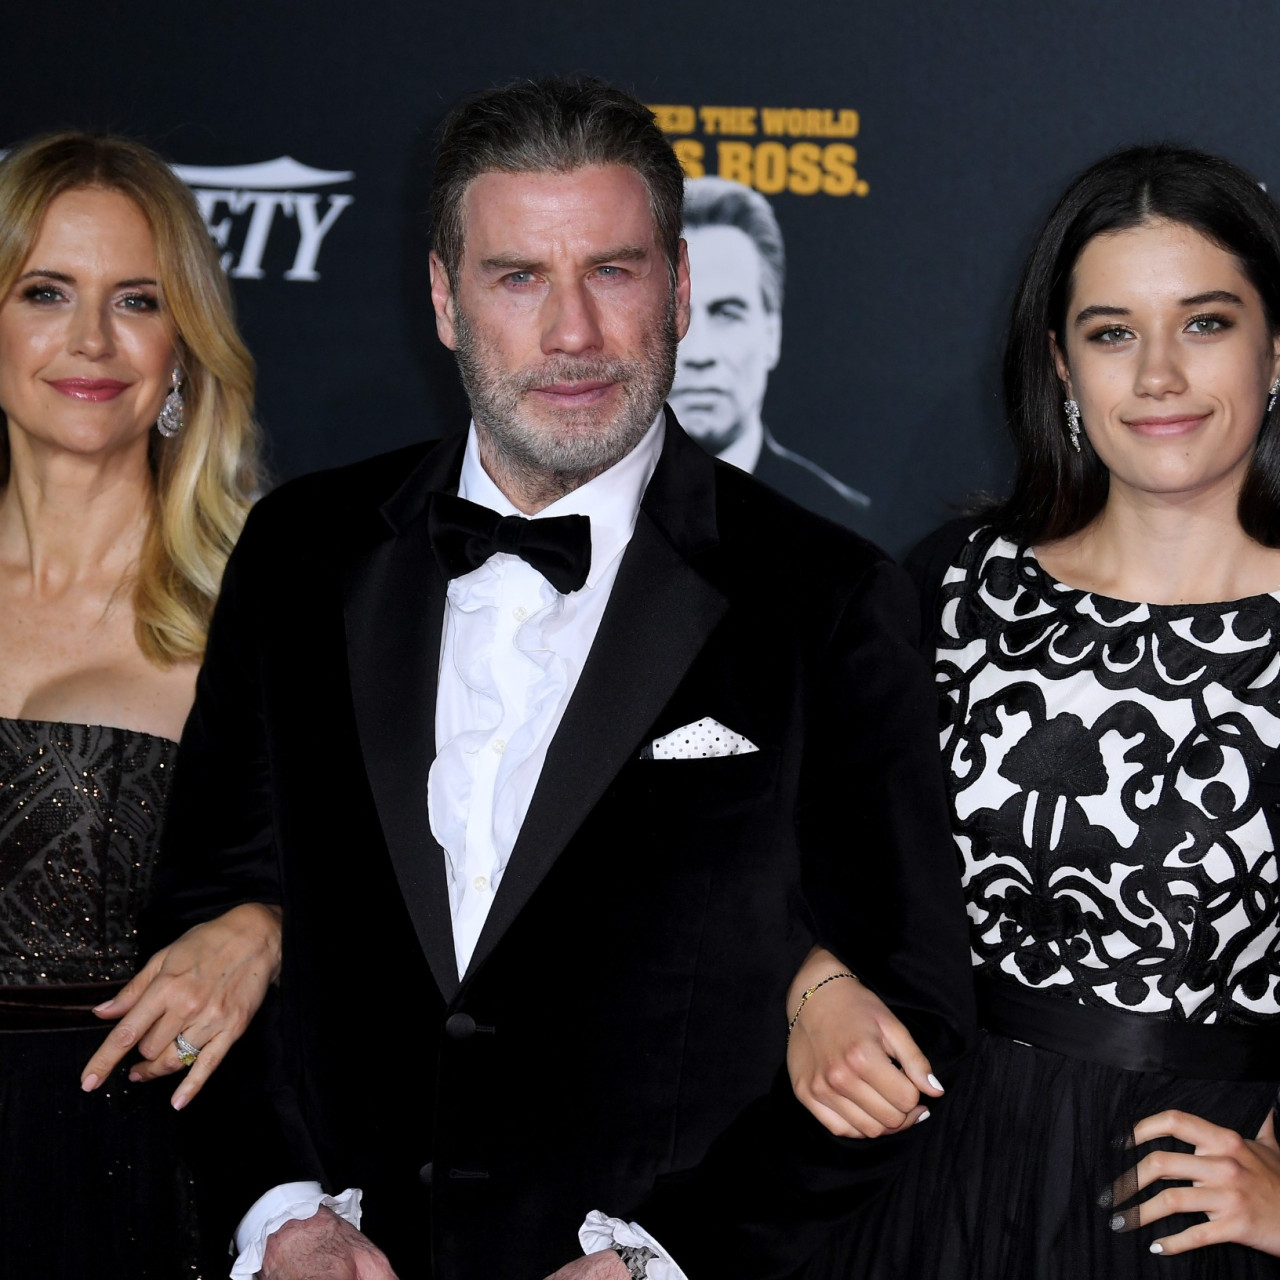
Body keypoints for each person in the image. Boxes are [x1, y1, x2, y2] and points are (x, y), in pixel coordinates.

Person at [151, 76, 973, 1280]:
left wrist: (668, 1258)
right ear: (445, 299)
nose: (573, 333)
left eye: (612, 271)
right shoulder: (301, 550)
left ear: (677, 290)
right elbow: (208, 918)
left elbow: (910, 1016)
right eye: (517, 276)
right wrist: (279, 1208)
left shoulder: (825, 598)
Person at [790, 144, 1280, 1278]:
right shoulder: (957, 586)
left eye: (1204, 323)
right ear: (1059, 362)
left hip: (1175, 1215)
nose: (1158, 375)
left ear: (1275, 347)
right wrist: (812, 989)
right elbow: (797, 851)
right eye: (1111, 333)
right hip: (916, 1178)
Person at [0, 131, 282, 1276]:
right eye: (45, 291)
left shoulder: (262, 615)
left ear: (182, 348)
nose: (90, 340)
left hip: (127, 1180)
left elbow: (387, 902)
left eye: (136, 300)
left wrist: (265, 925)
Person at [670, 175, 870, 527]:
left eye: (727, 314)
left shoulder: (844, 523)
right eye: (674, 313)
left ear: (771, 334)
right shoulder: (579, 505)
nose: (700, 353)